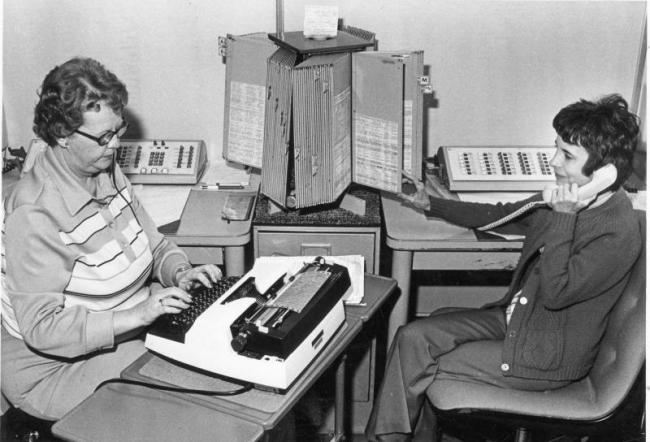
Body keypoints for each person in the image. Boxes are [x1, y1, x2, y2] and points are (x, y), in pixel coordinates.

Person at [366, 94, 642, 441]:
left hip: (547, 355)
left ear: (604, 173)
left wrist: (564, 219)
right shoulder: (568, 197)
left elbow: (557, 293)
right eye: (555, 148)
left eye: (567, 156)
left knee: (423, 366)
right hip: (517, 321)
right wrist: (430, 204)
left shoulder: (615, 231)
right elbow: (500, 214)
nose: (553, 162)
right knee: (412, 338)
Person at [1, 57, 222, 420]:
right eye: (104, 136)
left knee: (214, 364)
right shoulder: (35, 213)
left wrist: (180, 272)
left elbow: (155, 245)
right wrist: (139, 314)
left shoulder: (104, 169)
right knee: (192, 396)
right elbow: (42, 327)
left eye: (118, 130)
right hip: (52, 369)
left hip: (121, 331)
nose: (116, 144)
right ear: (62, 135)